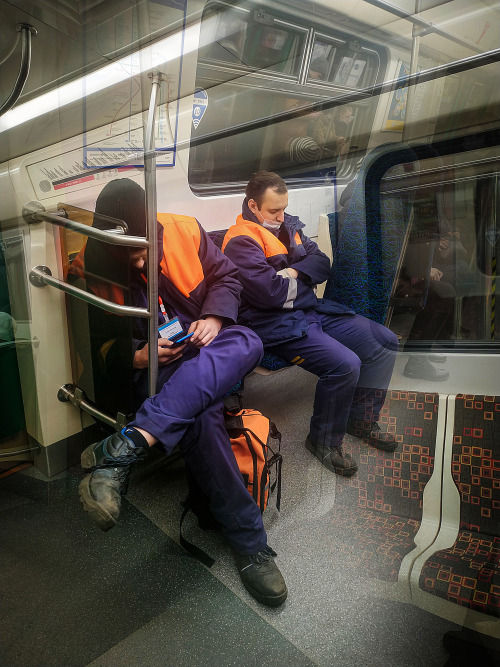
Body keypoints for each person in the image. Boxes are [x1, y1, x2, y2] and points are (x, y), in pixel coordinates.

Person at [71, 178, 287, 607]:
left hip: (202, 344)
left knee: (249, 340)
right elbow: (93, 347)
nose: (137, 262)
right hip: (159, 372)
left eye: (143, 249)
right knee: (202, 416)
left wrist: (213, 316)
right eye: (127, 253)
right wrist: (137, 355)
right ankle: (249, 544)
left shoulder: (184, 230)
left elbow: (226, 277)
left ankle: (130, 442)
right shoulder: (86, 269)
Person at [222, 171, 399, 478]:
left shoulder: (288, 226)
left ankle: (361, 418)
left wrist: (291, 274)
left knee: (383, 342)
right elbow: (269, 295)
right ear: (253, 206)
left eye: (284, 207)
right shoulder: (239, 242)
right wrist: (302, 278)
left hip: (312, 311)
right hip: (275, 326)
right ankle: (322, 441)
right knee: (345, 365)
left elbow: (321, 264)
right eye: (273, 210)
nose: (281, 215)